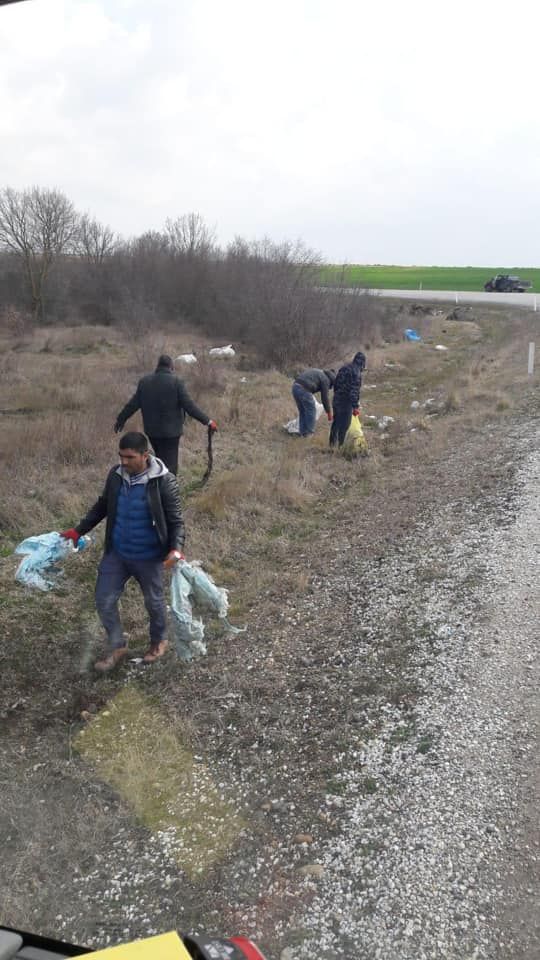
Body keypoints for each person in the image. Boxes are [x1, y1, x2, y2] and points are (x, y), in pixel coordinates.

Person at [61, 432, 185, 672]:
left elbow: (176, 521)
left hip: (149, 556)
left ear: (145, 455)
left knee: (154, 601)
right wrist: (78, 530)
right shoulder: (116, 475)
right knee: (103, 599)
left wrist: (176, 549)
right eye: (121, 456)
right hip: (117, 553)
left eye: (129, 457)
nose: (124, 462)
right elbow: (102, 505)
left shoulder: (163, 481)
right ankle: (118, 645)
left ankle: (159, 641)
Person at [114, 354, 217, 474]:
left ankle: (158, 486)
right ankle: (169, 489)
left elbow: (132, 405)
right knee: (170, 466)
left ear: (157, 366)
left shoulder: (144, 382)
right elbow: (189, 406)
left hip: (153, 432)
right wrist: (208, 421)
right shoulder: (177, 382)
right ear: (171, 367)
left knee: (160, 460)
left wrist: (120, 419)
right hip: (171, 433)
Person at [329, 351, 366, 447]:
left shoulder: (344, 368)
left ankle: (332, 445)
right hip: (345, 402)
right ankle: (341, 446)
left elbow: (336, 384)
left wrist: (337, 395)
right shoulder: (356, 372)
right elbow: (353, 391)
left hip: (336, 399)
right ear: (362, 363)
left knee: (336, 422)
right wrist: (355, 406)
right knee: (344, 425)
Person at [291, 367, 336, 437]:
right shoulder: (326, 379)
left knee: (303, 411)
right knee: (311, 410)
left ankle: (302, 433)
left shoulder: (320, 372)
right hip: (304, 389)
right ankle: (309, 433)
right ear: (332, 380)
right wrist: (329, 413)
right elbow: (325, 398)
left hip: (295, 387)